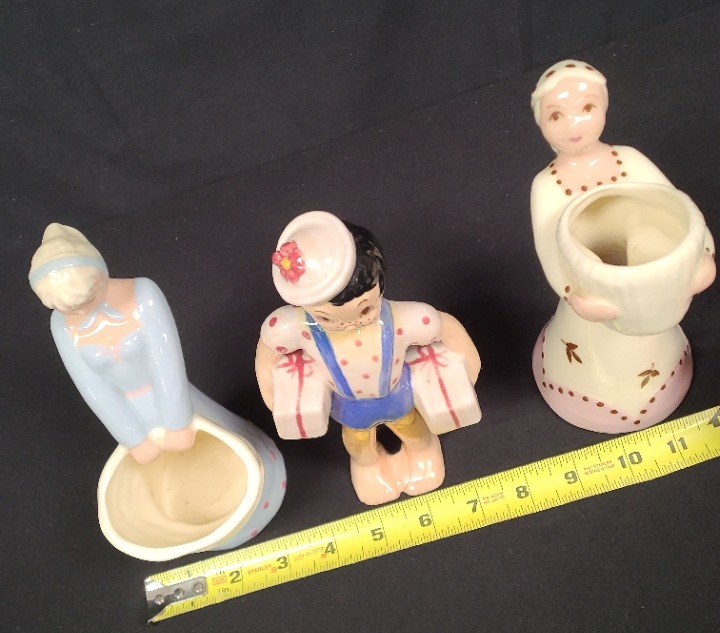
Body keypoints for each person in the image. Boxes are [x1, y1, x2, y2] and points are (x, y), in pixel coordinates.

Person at [529, 60, 715, 431]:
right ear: (541, 122)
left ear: (605, 107)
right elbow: (548, 248)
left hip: (654, 288)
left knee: (650, 343)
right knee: (595, 346)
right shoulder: (546, 186)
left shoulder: (628, 159)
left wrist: (703, 254)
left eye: (586, 107)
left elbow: (676, 205)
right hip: (591, 297)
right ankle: (589, 391)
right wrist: (573, 294)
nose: (574, 125)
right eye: (557, 115)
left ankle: (659, 381)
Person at [256, 211, 481, 505]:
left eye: (365, 309)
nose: (350, 323)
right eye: (327, 318)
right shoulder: (297, 328)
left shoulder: (403, 319)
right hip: (348, 406)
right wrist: (273, 395)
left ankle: (423, 452)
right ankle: (369, 467)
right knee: (358, 446)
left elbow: (444, 326)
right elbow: (268, 348)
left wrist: (468, 370)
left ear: (380, 284)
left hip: (397, 394)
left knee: (414, 430)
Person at [30, 223, 196, 463]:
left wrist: (178, 422)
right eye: (68, 309)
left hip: (172, 400)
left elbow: (167, 361)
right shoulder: (61, 325)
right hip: (130, 412)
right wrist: (133, 438)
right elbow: (91, 386)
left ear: (101, 274)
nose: (82, 312)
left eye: (89, 299)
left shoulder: (143, 294)